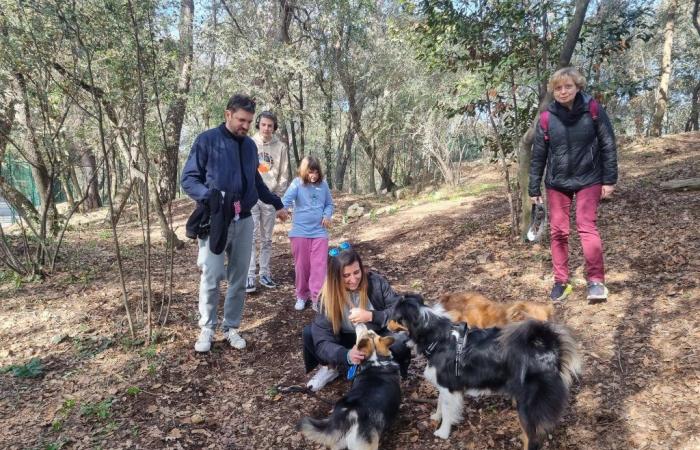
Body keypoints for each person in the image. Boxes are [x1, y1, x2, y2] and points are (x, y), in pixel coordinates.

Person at [181, 94, 289, 353]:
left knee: (239, 277)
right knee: (212, 274)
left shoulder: (250, 147)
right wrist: (211, 197)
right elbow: (188, 179)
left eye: (249, 122)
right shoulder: (207, 140)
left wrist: (276, 203)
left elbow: (256, 182)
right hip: (215, 220)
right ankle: (207, 327)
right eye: (241, 120)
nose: (245, 126)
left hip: (245, 219)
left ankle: (231, 327)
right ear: (228, 114)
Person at [529, 67, 618, 303]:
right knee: (558, 232)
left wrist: (609, 179)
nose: (563, 91)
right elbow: (538, 154)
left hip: (590, 177)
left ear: (578, 86)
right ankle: (561, 282)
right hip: (557, 182)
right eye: (558, 88)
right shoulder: (547, 117)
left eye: (568, 86)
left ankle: (596, 282)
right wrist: (533, 188)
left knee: (586, 227)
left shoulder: (593, 109)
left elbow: (608, 144)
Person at [302, 245, 410, 392]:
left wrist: (371, 315)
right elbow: (323, 341)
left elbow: (400, 311)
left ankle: (388, 371)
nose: (353, 279)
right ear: (335, 277)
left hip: (377, 335)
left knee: (400, 339)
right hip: (347, 339)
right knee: (310, 333)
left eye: (356, 272)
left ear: (361, 268)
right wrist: (345, 354)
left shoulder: (376, 282)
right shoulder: (327, 297)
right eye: (346, 276)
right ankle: (331, 368)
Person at [281, 155, 334, 311]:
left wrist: (327, 215)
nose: (314, 175)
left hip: (319, 232)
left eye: (316, 172)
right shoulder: (297, 184)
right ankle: (302, 295)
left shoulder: (323, 185)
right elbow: (286, 201)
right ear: (304, 171)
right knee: (302, 266)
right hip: (300, 232)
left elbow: (329, 204)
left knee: (319, 266)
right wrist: (284, 210)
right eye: (310, 172)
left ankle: (317, 297)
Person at [246, 111, 290, 293]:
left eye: (270, 125)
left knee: (266, 239)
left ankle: (265, 273)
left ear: (274, 127)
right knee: (250, 237)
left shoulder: (280, 147)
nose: (266, 128)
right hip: (250, 197)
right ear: (258, 124)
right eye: (263, 124)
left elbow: (284, 174)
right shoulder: (248, 143)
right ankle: (249, 276)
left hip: (270, 198)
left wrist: (277, 198)